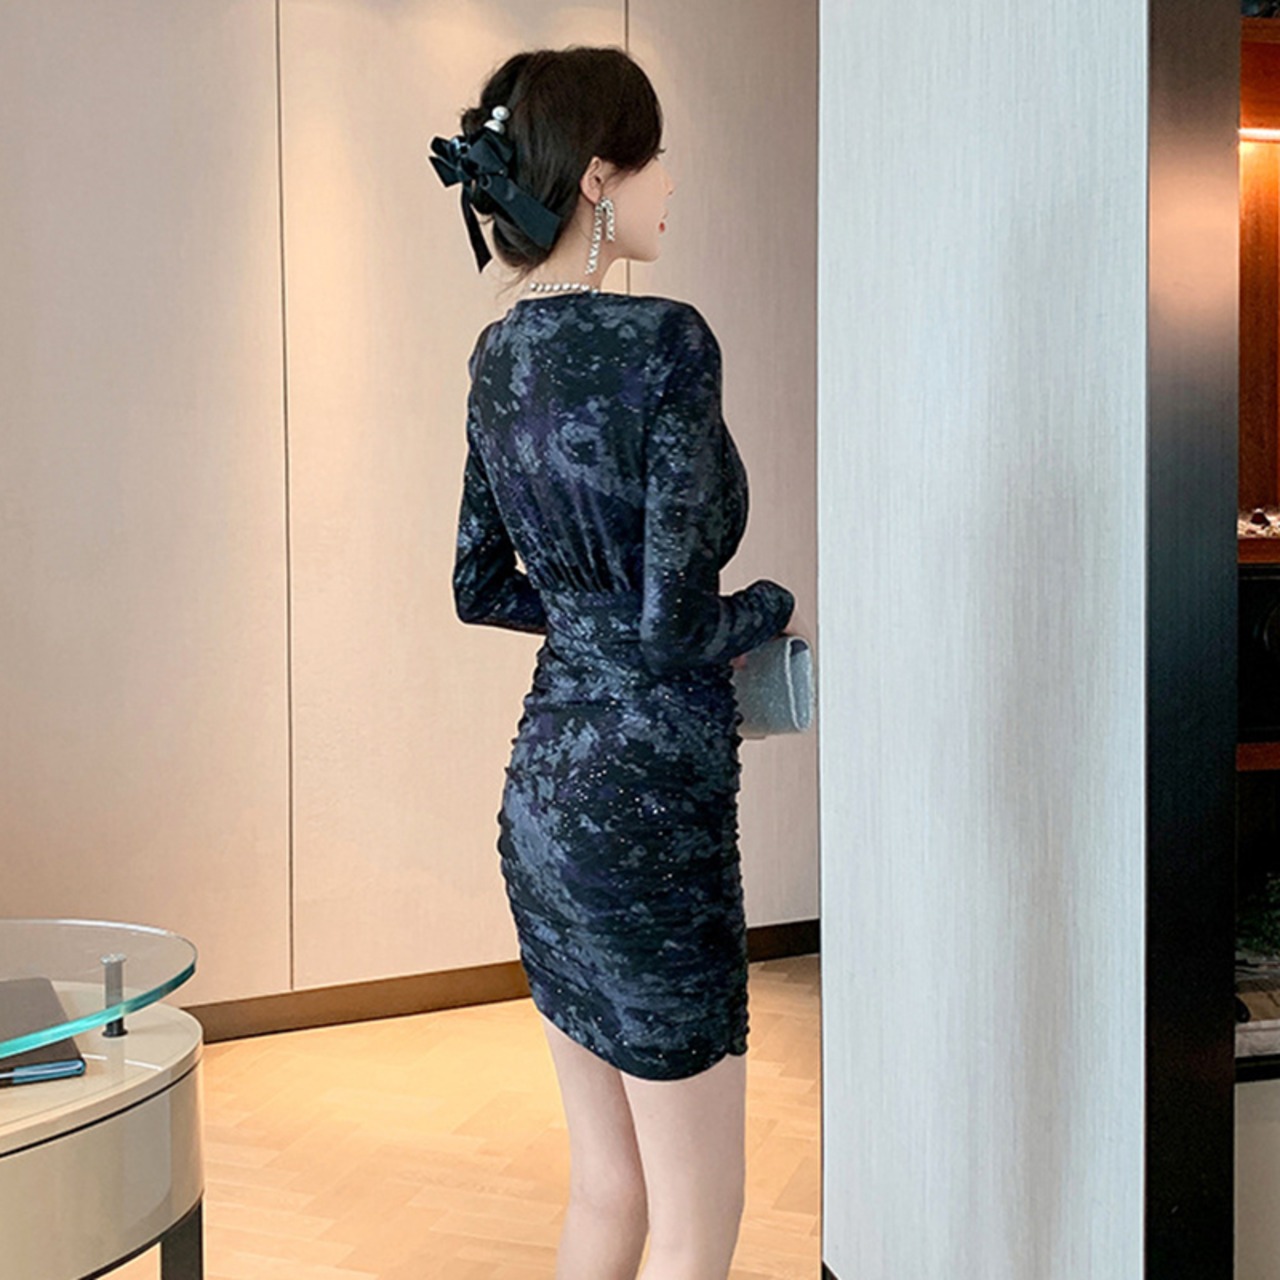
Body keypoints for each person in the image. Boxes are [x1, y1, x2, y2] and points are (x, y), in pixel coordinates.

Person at [432, 44, 795, 1280]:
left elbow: (479, 586)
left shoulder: (497, 356)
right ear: (598, 176)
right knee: (696, 1214)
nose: (668, 182)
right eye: (652, 160)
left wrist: (596, 621)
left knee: (608, 1186)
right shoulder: (666, 342)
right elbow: (673, 627)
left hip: (542, 799)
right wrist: (770, 604)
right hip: (646, 808)